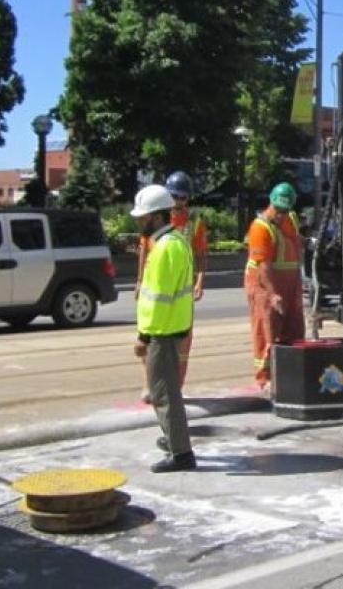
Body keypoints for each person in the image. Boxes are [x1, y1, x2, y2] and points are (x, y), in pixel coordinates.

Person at [130, 184, 197, 473]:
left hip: (162, 331)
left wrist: (144, 336)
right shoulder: (176, 241)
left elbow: (157, 298)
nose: (139, 222)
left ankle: (180, 453)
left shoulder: (165, 248)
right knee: (168, 391)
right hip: (172, 327)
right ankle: (174, 440)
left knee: (163, 393)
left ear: (157, 217)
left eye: (143, 217)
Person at [136, 171, 207, 402]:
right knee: (149, 338)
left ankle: (175, 387)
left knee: (180, 343)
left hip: (179, 290)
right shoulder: (155, 220)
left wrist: (200, 280)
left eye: (183, 197)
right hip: (154, 285)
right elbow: (144, 251)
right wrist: (138, 281)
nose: (178, 202)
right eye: (175, 196)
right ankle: (150, 385)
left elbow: (200, 254)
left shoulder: (194, 223)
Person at [245, 182, 305, 390]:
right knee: (267, 329)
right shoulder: (260, 228)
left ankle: (291, 371)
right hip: (264, 284)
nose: (281, 214)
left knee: (294, 328)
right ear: (271, 203)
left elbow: (296, 243)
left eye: (285, 210)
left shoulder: (291, 219)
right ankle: (265, 378)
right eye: (278, 210)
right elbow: (264, 266)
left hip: (290, 283)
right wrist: (272, 295)